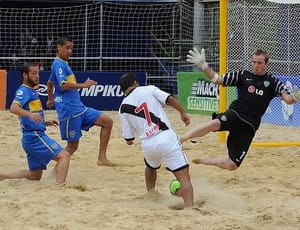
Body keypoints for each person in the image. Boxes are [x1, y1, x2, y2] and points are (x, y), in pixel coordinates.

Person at [181, 47, 300, 170]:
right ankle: (181, 139)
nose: (255, 65)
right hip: (236, 114)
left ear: (266, 64)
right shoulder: (242, 75)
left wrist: (296, 97)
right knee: (214, 123)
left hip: (250, 125)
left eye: (259, 63)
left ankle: (209, 161)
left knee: (233, 165)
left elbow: (288, 100)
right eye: (253, 62)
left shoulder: (273, 82)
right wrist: (203, 65)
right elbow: (218, 80)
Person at [118, 73, 194, 208]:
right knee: (183, 176)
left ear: (123, 90)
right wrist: (183, 113)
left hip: (148, 144)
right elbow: (170, 99)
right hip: (165, 137)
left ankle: (151, 195)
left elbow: (129, 140)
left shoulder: (122, 107)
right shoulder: (149, 89)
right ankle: (189, 207)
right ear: (135, 83)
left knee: (150, 167)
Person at [46, 36, 115, 166]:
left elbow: (50, 82)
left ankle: (102, 158)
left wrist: (50, 99)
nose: (70, 51)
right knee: (72, 146)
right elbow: (63, 85)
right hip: (69, 111)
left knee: (107, 122)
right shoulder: (58, 64)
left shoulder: (62, 64)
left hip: (79, 108)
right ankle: (56, 171)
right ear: (58, 47)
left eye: (71, 48)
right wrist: (84, 85)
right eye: (67, 48)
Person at [0, 63, 70, 184]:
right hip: (34, 137)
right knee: (64, 156)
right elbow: (13, 108)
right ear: (25, 75)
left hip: (30, 137)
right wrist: (30, 115)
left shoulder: (31, 91)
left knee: (34, 176)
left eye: (38, 73)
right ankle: (60, 187)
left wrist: (44, 122)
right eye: (34, 73)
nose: (37, 76)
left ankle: (2, 176)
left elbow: (31, 113)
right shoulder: (24, 91)